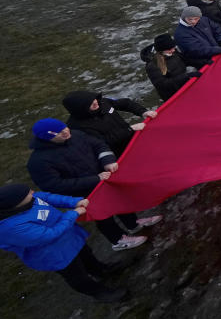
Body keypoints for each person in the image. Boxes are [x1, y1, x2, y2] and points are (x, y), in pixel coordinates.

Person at [26, 119, 153, 251]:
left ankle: (133, 224)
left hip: (104, 180)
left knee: (119, 202)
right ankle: (118, 240)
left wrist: (108, 161)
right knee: (103, 217)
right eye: (57, 133)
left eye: (64, 128)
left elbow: (99, 145)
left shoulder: (76, 134)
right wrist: (95, 179)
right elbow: (54, 186)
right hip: (84, 194)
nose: (65, 132)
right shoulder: (38, 162)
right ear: (47, 138)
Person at [0, 183, 129, 301]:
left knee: (87, 255)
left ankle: (101, 270)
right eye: (28, 193)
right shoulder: (11, 227)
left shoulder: (31, 199)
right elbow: (49, 235)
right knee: (76, 275)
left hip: (68, 237)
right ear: (16, 203)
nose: (32, 192)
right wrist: (72, 214)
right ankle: (100, 293)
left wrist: (76, 202)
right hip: (52, 253)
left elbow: (49, 197)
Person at [61, 90, 156, 157]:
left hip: (135, 139)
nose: (95, 102)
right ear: (81, 109)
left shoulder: (103, 102)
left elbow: (126, 103)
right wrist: (129, 130)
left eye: (93, 99)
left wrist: (143, 112)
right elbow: (102, 142)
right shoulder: (76, 127)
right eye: (90, 103)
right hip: (120, 155)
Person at [141, 33, 198, 100]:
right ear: (161, 50)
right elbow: (163, 84)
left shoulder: (173, 52)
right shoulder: (152, 66)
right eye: (170, 49)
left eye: (173, 47)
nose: (173, 50)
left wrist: (202, 62)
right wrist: (186, 76)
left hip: (185, 85)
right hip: (172, 95)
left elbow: (185, 61)